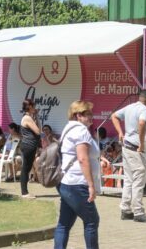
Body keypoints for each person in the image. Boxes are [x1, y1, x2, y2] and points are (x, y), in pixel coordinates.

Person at [54, 100, 101, 249]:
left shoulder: (68, 128)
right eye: (88, 114)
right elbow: (82, 159)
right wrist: (91, 186)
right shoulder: (80, 131)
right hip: (78, 183)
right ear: (78, 115)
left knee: (64, 223)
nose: (92, 117)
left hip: (66, 182)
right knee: (92, 221)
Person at [111, 89, 146, 223]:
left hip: (127, 147)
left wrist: (120, 132)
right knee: (138, 181)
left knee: (129, 180)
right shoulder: (145, 110)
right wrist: (142, 144)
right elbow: (142, 123)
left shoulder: (130, 107)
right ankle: (138, 212)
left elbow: (114, 116)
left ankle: (125, 210)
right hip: (136, 150)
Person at [19, 99, 41, 199]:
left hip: (29, 145)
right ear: (30, 107)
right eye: (34, 106)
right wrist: (36, 116)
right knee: (25, 169)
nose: (35, 108)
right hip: (28, 145)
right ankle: (24, 192)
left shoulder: (29, 117)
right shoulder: (27, 118)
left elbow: (38, 130)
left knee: (26, 169)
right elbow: (38, 131)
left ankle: (25, 192)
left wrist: (36, 116)